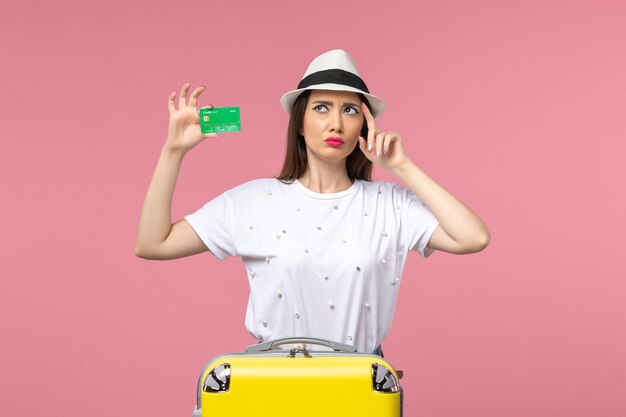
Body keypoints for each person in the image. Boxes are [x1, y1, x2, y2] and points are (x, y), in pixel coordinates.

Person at [135, 49, 490, 354]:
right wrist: (173, 151)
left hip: (360, 387)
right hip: (275, 385)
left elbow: (473, 238)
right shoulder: (253, 201)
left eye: (350, 111)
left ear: (363, 126)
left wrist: (402, 167)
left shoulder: (390, 205)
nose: (336, 123)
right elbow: (153, 243)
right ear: (300, 123)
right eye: (321, 107)